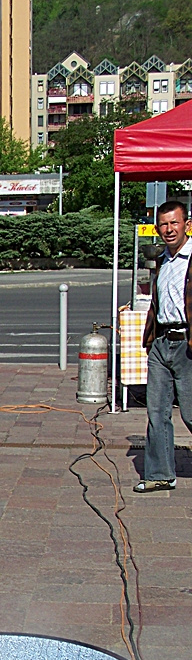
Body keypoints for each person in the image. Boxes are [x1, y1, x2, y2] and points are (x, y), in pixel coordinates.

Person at [135, 200, 192, 493]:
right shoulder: (163, 261)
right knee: (157, 412)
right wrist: (150, 340)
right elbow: (157, 305)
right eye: (164, 224)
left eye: (174, 223)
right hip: (161, 343)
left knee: (190, 413)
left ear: (187, 225)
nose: (169, 230)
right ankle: (159, 473)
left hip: (187, 345)